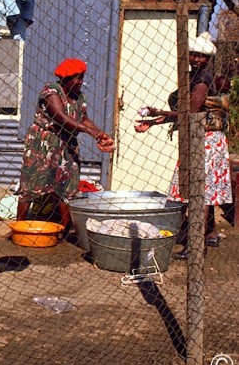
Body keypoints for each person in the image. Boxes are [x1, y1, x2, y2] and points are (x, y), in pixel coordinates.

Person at [134, 33, 233, 259]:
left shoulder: (202, 81)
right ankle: (210, 234)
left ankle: (195, 244)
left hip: (205, 140)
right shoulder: (192, 76)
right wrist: (153, 122)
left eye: (201, 56)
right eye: (193, 55)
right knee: (202, 189)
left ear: (208, 59)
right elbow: (184, 115)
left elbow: (190, 112)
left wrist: (158, 113)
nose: (196, 59)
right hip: (201, 137)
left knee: (199, 191)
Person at [16, 58, 115, 224]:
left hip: (67, 143)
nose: (79, 81)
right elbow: (61, 117)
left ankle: (64, 228)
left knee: (67, 185)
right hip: (44, 142)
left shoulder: (78, 96)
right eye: (75, 77)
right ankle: (18, 227)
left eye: (81, 77)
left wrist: (99, 134)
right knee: (31, 184)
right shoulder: (51, 92)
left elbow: (83, 118)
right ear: (64, 79)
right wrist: (89, 131)